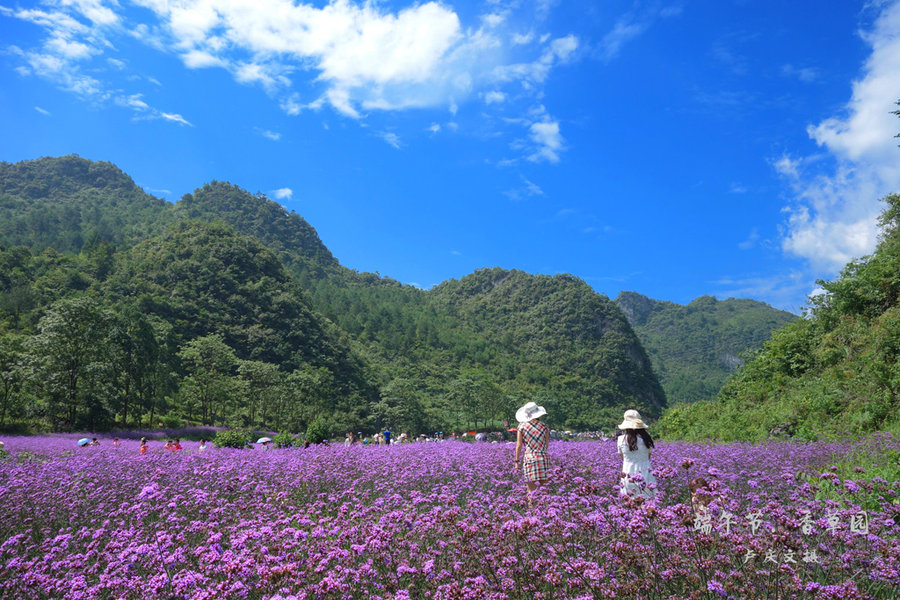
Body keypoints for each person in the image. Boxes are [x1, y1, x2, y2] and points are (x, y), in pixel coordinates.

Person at [514, 402, 550, 506]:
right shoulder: (544, 427)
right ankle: (546, 514)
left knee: (531, 491)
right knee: (544, 490)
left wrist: (516, 462)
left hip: (530, 459)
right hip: (543, 458)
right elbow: (546, 444)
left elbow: (519, 446)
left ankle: (532, 515)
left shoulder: (521, 427)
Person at [617, 409, 656, 498]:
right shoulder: (647, 439)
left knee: (630, 503)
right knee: (648, 503)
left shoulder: (621, 440)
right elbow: (648, 457)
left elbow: (622, 458)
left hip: (628, 474)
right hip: (646, 474)